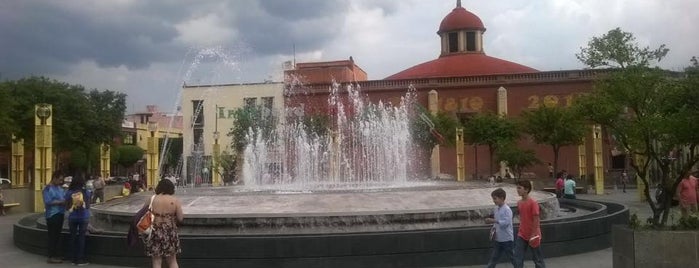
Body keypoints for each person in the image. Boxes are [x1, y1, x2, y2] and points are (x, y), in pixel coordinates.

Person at [143, 179, 184, 268]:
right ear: (171, 188)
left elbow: (143, 213)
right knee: (172, 260)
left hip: (155, 230)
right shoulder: (175, 200)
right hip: (170, 231)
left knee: (156, 260)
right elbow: (180, 218)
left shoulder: (151, 199)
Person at [514, 180, 545, 268]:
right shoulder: (519, 203)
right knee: (517, 257)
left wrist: (533, 234)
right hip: (522, 234)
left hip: (533, 235)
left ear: (526, 190)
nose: (517, 190)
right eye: (517, 188)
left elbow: (536, 220)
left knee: (537, 259)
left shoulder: (533, 203)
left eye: (519, 188)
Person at [64, 175, 92, 266]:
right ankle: (80, 259)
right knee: (81, 237)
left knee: (72, 237)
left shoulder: (69, 192)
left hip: (72, 217)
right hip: (83, 217)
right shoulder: (86, 192)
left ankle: (72, 258)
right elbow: (88, 206)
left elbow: (67, 206)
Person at [485, 188, 514, 268]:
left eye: (495, 199)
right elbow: (496, 223)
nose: (494, 201)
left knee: (512, 257)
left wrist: (493, 221)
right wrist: (493, 231)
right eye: (493, 199)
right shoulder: (496, 209)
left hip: (507, 239)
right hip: (498, 239)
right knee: (494, 257)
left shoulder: (507, 210)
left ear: (501, 198)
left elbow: (506, 223)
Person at [43, 173, 66, 264]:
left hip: (60, 213)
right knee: (52, 235)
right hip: (52, 215)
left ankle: (57, 254)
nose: (61, 182)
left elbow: (64, 197)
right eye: (59, 180)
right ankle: (51, 256)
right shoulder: (48, 188)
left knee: (57, 235)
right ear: (54, 178)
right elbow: (48, 201)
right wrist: (61, 202)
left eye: (62, 180)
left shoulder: (60, 188)